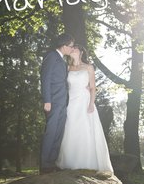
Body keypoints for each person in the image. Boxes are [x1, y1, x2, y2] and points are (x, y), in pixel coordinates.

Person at [55, 45, 113, 173]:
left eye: (75, 48)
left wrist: (91, 103)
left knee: (86, 129)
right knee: (71, 128)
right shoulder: (67, 68)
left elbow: (92, 87)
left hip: (85, 101)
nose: (72, 50)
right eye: (72, 48)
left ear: (81, 52)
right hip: (71, 102)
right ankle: (70, 161)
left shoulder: (88, 67)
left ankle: (87, 162)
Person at [39, 33, 75, 174]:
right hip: (52, 101)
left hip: (62, 102)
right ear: (64, 46)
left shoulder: (62, 61)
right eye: (71, 46)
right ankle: (44, 165)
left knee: (59, 133)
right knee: (51, 132)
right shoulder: (52, 56)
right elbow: (45, 79)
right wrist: (47, 100)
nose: (72, 49)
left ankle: (51, 162)